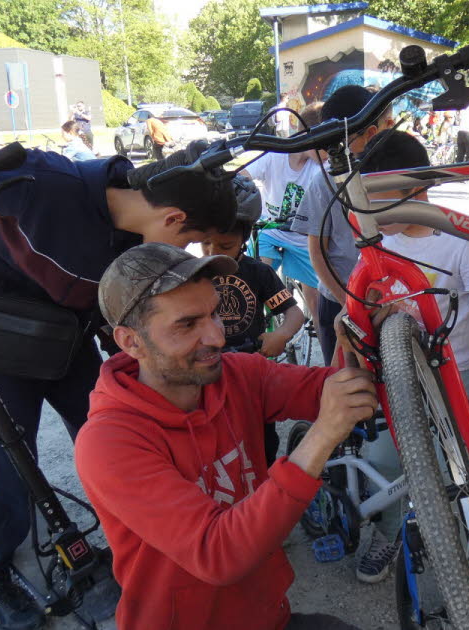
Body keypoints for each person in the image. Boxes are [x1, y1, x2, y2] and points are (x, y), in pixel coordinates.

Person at [0, 141, 238, 630]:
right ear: (173, 219)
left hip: (69, 338)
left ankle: (141, 545)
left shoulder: (135, 240)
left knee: (117, 442)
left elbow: (115, 311)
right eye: (191, 242)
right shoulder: (46, 182)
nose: (184, 254)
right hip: (3, 336)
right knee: (9, 457)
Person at [74, 242, 376, 630]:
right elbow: (217, 554)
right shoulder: (108, 444)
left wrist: (358, 343)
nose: (217, 337)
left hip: (268, 615)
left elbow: (331, 390)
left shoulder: (236, 374)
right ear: (131, 341)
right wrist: (321, 436)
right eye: (187, 325)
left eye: (214, 313)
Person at [350, 129, 469, 583]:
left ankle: (458, 544)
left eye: (381, 200)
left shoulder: (460, 239)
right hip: (394, 373)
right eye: (366, 200)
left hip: (454, 373)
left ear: (417, 190)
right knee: (385, 461)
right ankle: (387, 534)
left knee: (452, 467)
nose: (371, 213)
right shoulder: (377, 239)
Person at [200, 176, 305, 465]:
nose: (212, 252)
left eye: (225, 245)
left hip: (251, 371)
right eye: (205, 243)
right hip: (208, 371)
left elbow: (294, 312)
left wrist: (280, 335)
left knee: (261, 438)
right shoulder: (193, 275)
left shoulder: (258, 273)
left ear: (243, 241)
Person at [290, 85, 387, 365]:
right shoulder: (324, 181)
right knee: (344, 378)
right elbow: (317, 251)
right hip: (338, 298)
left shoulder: (391, 173)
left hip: (389, 302)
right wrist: (348, 302)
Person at [243, 101, 329, 334]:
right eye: (326, 144)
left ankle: (324, 340)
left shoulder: (322, 166)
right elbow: (243, 175)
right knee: (258, 281)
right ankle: (258, 331)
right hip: (269, 229)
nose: (329, 152)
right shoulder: (275, 156)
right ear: (307, 136)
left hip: (302, 237)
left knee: (317, 302)